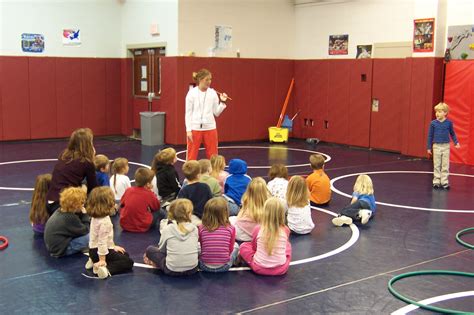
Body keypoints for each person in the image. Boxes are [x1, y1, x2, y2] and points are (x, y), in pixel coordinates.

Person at [85, 187, 134, 279]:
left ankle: (93, 261)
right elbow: (102, 242)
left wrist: (113, 247)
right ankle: (104, 268)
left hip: (92, 250)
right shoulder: (105, 222)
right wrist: (102, 260)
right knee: (128, 262)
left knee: (124, 254)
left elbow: (97, 238)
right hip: (101, 252)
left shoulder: (95, 217)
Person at [46, 128, 97, 214]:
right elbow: (93, 188)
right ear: (88, 144)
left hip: (50, 201)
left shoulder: (64, 154)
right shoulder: (87, 162)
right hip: (64, 203)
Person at [143, 199, 199, 276]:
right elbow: (196, 248)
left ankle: (157, 262)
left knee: (150, 249)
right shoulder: (194, 228)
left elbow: (161, 249)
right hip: (192, 269)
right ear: (189, 214)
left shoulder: (168, 229)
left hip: (171, 270)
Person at [239, 197, 292, 276]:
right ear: (282, 214)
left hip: (259, 268)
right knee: (287, 245)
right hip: (281, 269)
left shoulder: (258, 228)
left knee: (244, 246)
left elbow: (254, 247)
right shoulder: (285, 230)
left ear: (265, 212)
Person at [185, 68, 229, 161]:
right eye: (207, 79)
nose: (209, 82)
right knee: (191, 156)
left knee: (213, 156)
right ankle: (190, 175)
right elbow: (188, 113)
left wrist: (222, 102)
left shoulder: (213, 93)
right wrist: (188, 130)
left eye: (210, 79)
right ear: (200, 80)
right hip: (195, 128)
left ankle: (214, 174)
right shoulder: (191, 93)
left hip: (210, 128)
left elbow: (216, 113)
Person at [44, 187, 90, 257]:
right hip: (61, 250)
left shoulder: (60, 210)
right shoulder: (69, 217)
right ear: (75, 205)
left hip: (54, 247)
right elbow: (86, 230)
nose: (83, 205)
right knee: (91, 236)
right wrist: (85, 215)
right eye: (82, 203)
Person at [198, 197, 239, 272]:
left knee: (198, 247)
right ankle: (235, 262)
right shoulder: (231, 228)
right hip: (224, 267)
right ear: (226, 213)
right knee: (236, 246)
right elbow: (230, 249)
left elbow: (202, 245)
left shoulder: (201, 228)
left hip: (204, 266)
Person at [427, 102, 460, 189]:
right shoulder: (433, 123)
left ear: (445, 113)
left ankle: (444, 182)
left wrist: (456, 142)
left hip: (446, 146)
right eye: (436, 112)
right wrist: (429, 147)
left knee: (445, 165)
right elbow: (430, 135)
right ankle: (436, 181)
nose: (437, 113)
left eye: (440, 111)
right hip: (436, 146)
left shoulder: (449, 123)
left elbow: (452, 133)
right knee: (437, 165)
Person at [119, 168, 162, 232]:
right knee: (160, 211)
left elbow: (122, 203)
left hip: (124, 225)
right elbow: (156, 207)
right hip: (142, 226)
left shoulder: (129, 190)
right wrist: (152, 192)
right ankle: (168, 223)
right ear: (148, 184)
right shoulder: (149, 194)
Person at [229, 177, 269, 241]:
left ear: (249, 191)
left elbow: (239, 218)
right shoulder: (269, 203)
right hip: (260, 234)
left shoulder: (245, 200)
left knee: (230, 219)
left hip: (242, 234)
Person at [177, 160, 213, 225]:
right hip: (205, 217)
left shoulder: (184, 190)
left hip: (191, 218)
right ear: (199, 175)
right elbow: (211, 202)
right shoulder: (205, 187)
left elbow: (180, 207)